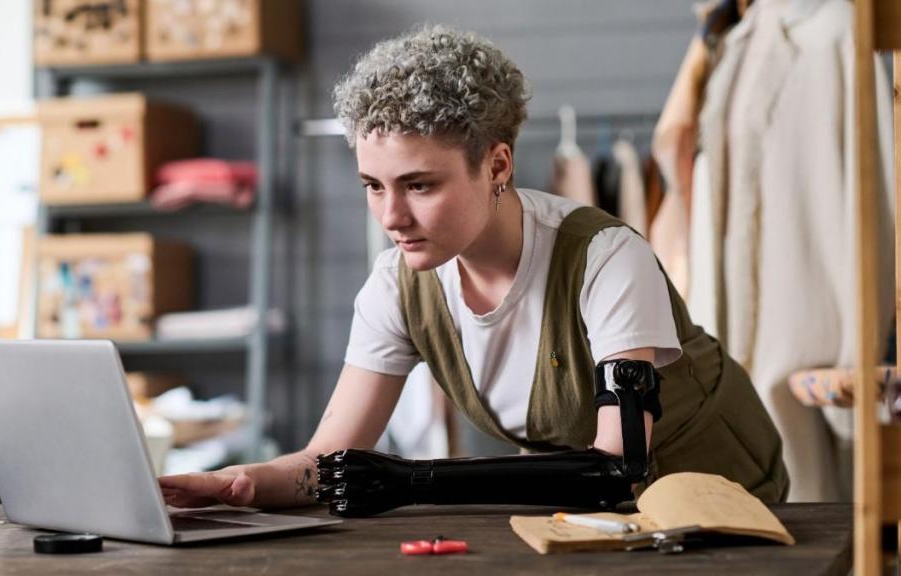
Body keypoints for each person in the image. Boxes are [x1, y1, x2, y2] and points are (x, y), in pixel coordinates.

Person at [159, 25, 789, 511]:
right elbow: (329, 458)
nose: (391, 216)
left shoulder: (606, 259)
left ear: (496, 165)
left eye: (419, 185)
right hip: (598, 518)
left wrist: (410, 481)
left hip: (722, 497)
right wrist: (233, 484)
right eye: (372, 187)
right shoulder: (398, 287)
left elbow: (614, 465)